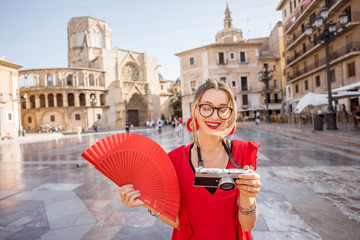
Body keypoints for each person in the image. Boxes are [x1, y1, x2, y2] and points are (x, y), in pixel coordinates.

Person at [119, 78, 261, 240]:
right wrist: (147, 202)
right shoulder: (174, 160)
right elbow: (180, 223)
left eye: (223, 109)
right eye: (206, 108)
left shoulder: (243, 153)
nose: (215, 116)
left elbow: (247, 225)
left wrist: (248, 196)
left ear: (230, 114)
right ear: (194, 110)